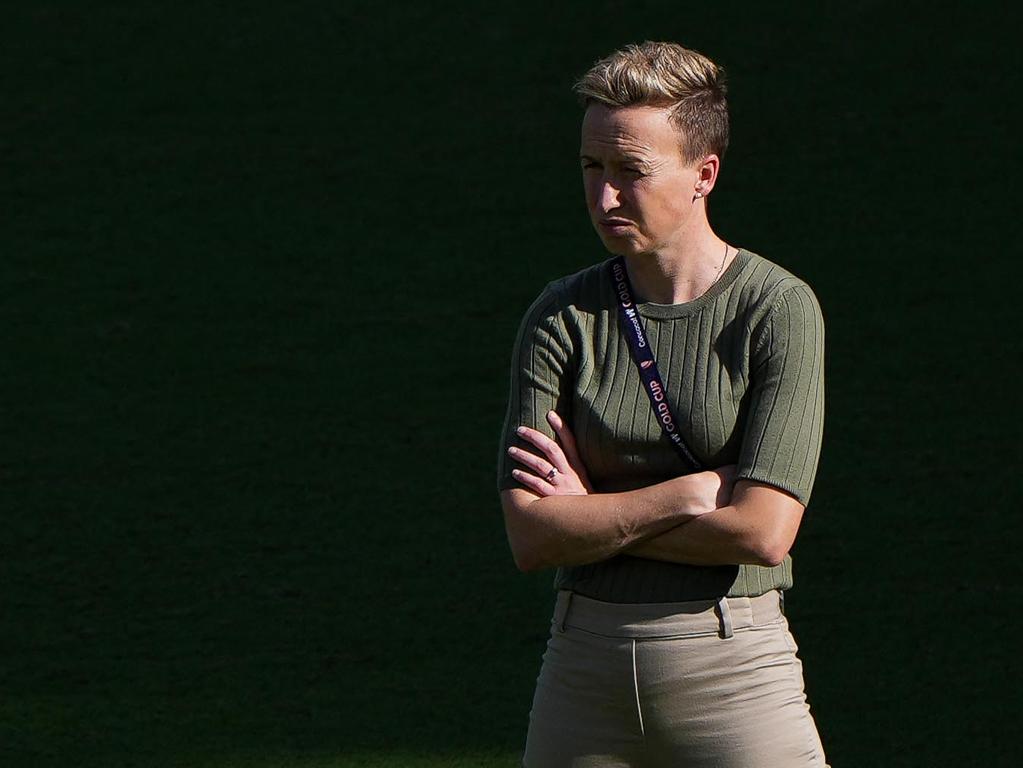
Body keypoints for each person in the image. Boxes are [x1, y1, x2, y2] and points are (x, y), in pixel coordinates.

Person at [496, 41, 829, 767]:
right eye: (591, 168)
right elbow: (530, 539)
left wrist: (590, 514)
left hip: (735, 673)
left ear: (702, 175)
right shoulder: (561, 315)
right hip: (581, 672)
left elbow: (764, 534)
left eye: (630, 172)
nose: (605, 196)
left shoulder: (776, 309)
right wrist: (687, 494)